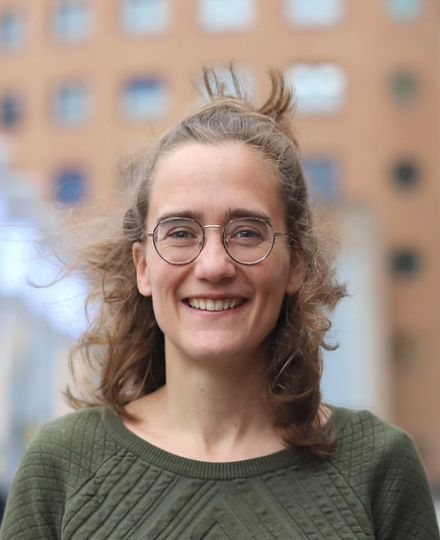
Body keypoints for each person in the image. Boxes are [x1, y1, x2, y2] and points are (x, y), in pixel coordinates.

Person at [1, 69, 439, 540]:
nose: (213, 265)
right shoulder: (62, 464)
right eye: (180, 233)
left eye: (246, 232)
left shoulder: (377, 466)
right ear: (143, 266)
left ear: (297, 264)